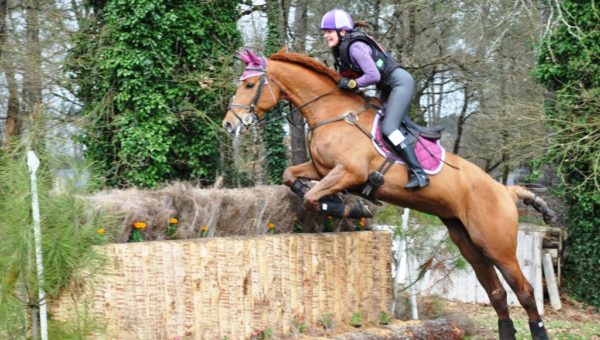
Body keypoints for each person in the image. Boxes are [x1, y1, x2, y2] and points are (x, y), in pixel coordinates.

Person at [321, 9, 429, 190]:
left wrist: (353, 84)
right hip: (388, 88)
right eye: (325, 32)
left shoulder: (355, 47)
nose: (325, 36)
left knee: (388, 128)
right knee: (374, 125)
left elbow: (373, 76)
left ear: (342, 31)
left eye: (329, 31)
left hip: (400, 84)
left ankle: (419, 173)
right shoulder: (341, 51)